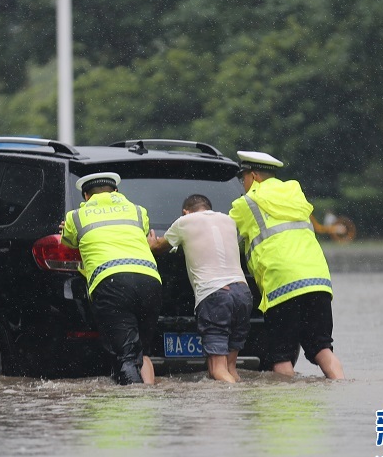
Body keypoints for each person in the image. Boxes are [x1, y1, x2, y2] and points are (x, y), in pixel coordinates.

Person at [229, 151, 345, 380]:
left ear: (253, 176)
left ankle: (286, 411)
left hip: (281, 284)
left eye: (243, 178)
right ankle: (340, 388)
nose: (243, 184)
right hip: (317, 280)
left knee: (280, 356)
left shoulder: (247, 203)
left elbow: (223, 235)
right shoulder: (296, 194)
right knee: (322, 348)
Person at [60, 172, 163, 385]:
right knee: (141, 352)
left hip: (112, 283)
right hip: (150, 281)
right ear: (116, 191)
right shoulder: (137, 211)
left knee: (126, 356)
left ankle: (133, 409)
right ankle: (149, 403)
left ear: (86, 196)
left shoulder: (76, 216)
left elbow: (68, 243)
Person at [147, 194, 251, 383]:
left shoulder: (184, 221)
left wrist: (152, 243)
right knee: (230, 368)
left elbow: (160, 248)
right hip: (242, 292)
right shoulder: (228, 220)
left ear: (185, 211)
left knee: (217, 370)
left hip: (216, 294)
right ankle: (237, 406)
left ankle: (233, 404)